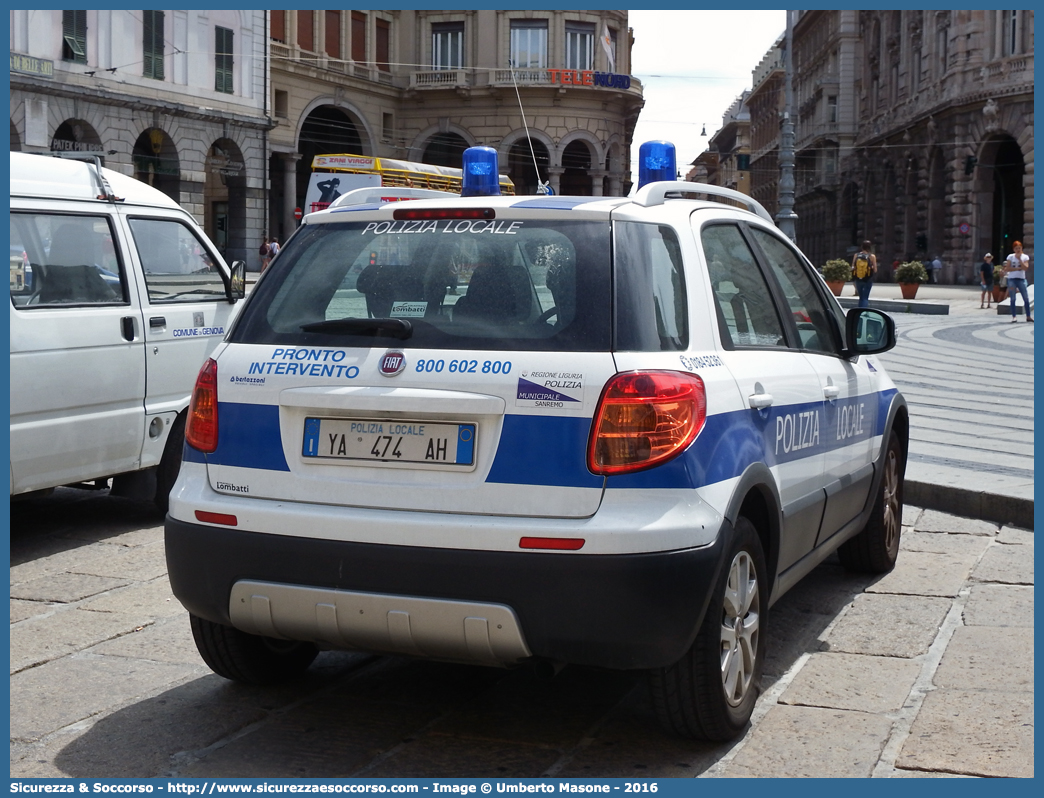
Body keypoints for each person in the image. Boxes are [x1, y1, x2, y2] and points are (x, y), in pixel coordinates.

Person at [1002, 240, 1032, 323]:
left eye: (1019, 248)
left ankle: (1028, 316)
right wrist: (1017, 268)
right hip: (1012, 279)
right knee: (1013, 298)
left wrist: (1020, 260)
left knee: (1025, 298)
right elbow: (1007, 268)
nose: (1018, 250)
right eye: (1016, 248)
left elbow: (1025, 267)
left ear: (1022, 248)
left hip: (1021, 279)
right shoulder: (1010, 257)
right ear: (1013, 249)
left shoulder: (1025, 257)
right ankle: (1014, 316)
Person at [851, 240, 877, 308]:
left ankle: (859, 312)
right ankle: (864, 311)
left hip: (858, 278)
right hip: (868, 278)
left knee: (861, 297)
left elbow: (853, 267)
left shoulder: (856, 255)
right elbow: (875, 270)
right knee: (865, 297)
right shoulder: (872, 256)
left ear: (862, 247)